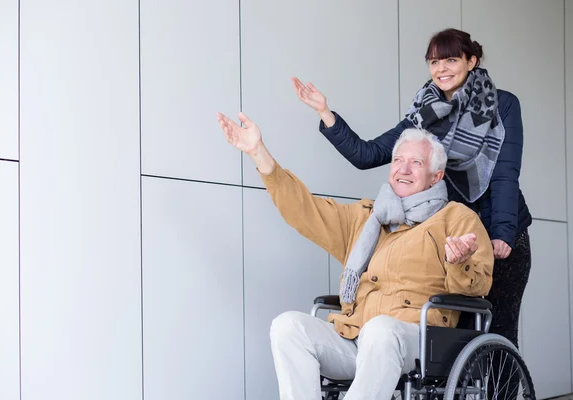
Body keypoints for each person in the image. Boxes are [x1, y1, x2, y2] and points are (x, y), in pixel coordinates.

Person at [216, 111, 494, 400]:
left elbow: (479, 285)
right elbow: (304, 209)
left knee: (380, 329)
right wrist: (258, 153)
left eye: (416, 162)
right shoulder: (366, 219)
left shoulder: (455, 218)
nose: (404, 169)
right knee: (288, 326)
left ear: (436, 175)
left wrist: (459, 262)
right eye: (398, 160)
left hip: (418, 340)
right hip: (355, 336)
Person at [291, 28, 531, 351]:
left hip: (499, 233)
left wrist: (502, 233)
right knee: (454, 343)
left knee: (497, 336)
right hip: (450, 236)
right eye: (434, 61)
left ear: (471, 61)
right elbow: (367, 154)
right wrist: (325, 113)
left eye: (450, 59)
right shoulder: (423, 115)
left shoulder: (502, 105)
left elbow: (504, 174)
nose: (441, 69)